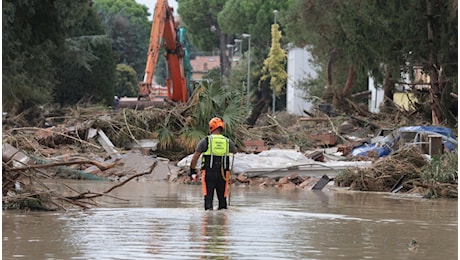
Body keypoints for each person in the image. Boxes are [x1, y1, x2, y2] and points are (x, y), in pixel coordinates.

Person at [189, 117, 238, 210]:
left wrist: (192, 170)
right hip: (223, 174)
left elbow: (195, 157)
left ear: (211, 127)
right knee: (222, 201)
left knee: (208, 199)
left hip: (209, 173)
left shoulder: (206, 141)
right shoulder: (227, 141)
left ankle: (208, 222)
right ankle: (223, 222)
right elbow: (235, 151)